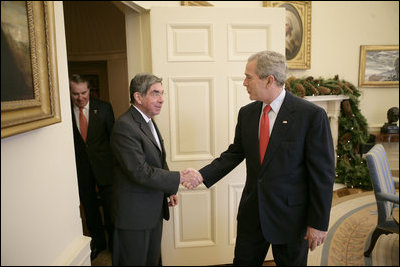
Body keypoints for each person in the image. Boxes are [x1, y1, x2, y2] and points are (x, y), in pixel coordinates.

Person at [188, 51, 335, 265]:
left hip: (291, 217)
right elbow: (234, 153)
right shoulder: (247, 113)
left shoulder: (310, 116)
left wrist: (318, 223)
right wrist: (201, 175)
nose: (244, 82)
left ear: (269, 80)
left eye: (249, 77)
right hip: (252, 213)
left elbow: (323, 174)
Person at [110, 73, 200, 266]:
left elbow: (158, 159)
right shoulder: (124, 126)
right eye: (155, 94)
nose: (162, 99)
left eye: (162, 93)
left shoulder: (148, 121)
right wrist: (179, 177)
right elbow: (139, 171)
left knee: (151, 261)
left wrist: (168, 191)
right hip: (134, 215)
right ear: (138, 97)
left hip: (151, 209)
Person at [69, 74, 115, 260]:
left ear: (90, 90)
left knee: (111, 209)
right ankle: (98, 242)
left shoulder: (104, 108)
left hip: (105, 168)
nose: (80, 98)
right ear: (70, 93)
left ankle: (114, 244)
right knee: (90, 210)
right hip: (81, 170)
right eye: (75, 94)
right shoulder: (64, 111)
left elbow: (113, 139)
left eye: (83, 92)